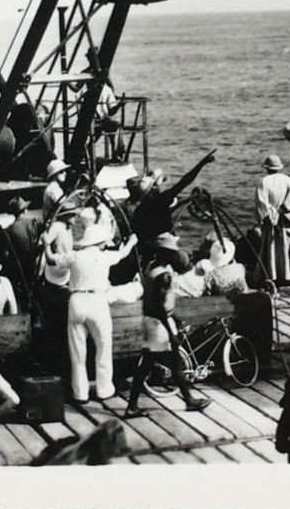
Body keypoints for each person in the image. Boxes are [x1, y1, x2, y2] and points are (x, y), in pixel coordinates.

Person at [123, 251, 210, 418]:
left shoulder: (151, 268)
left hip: (150, 322)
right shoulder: (164, 277)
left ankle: (132, 406)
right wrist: (171, 333)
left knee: (146, 366)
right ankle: (189, 401)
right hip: (160, 326)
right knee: (175, 364)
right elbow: (161, 308)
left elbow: (153, 302)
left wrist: (175, 319)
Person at [57, 223, 134, 403]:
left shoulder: (74, 256)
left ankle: (80, 393)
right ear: (99, 242)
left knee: (77, 352)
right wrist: (131, 242)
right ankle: (104, 389)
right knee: (103, 347)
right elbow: (123, 254)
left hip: (77, 301)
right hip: (97, 301)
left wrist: (46, 244)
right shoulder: (104, 256)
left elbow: (53, 259)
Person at [129, 151, 216, 247]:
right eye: (155, 185)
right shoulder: (162, 199)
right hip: (164, 244)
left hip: (149, 246)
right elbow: (185, 181)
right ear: (152, 188)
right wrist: (202, 163)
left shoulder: (140, 209)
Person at [254, 153, 290, 284]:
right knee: (286, 247)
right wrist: (281, 211)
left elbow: (261, 204)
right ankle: (288, 275)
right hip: (286, 220)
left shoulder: (263, 182)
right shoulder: (289, 180)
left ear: (267, 168)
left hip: (270, 221)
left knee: (270, 247)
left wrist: (269, 216)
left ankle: (272, 275)